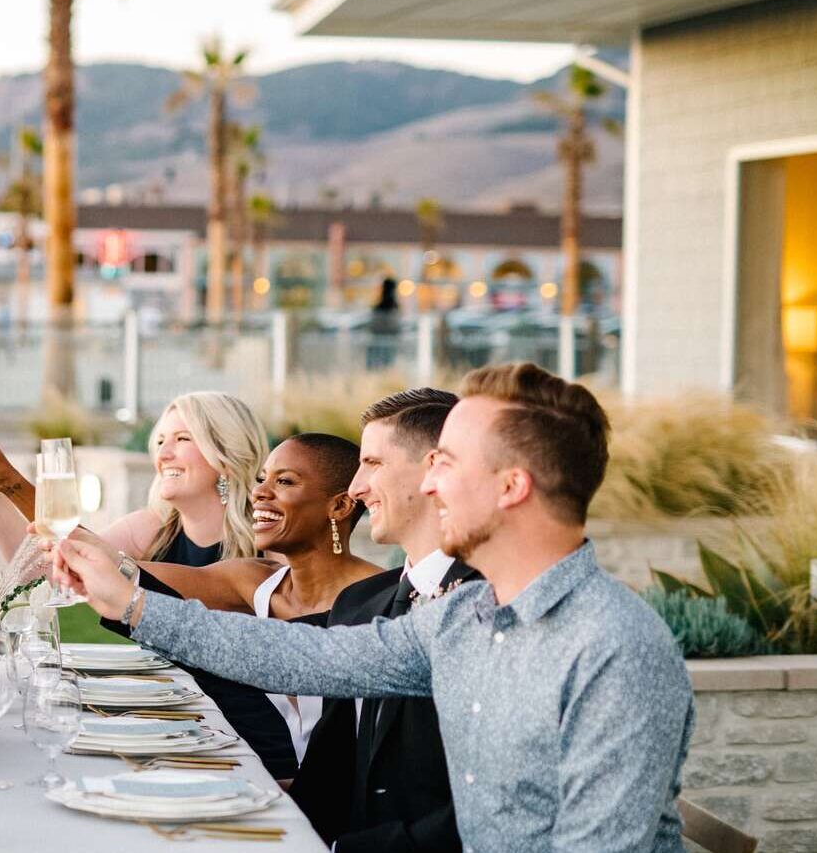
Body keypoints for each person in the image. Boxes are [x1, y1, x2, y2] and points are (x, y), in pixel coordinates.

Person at [55, 363, 694, 850]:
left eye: (446, 462)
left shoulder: (615, 649)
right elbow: (305, 654)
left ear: (511, 487)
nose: (431, 481)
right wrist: (135, 606)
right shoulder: (467, 616)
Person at [116, 433, 379, 773]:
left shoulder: (382, 603)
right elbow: (128, 577)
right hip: (291, 792)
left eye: (284, 481)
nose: (259, 493)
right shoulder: (256, 582)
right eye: (261, 480)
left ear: (340, 506)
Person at [288, 388, 478, 852]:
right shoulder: (359, 603)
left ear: (434, 468)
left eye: (372, 464)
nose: (354, 488)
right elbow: (326, 777)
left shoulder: (487, 606)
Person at [0, 391, 269, 565]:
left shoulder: (272, 542)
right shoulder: (149, 530)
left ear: (226, 455)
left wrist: (11, 482)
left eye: (183, 439)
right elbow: (37, 572)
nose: (164, 454)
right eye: (160, 441)